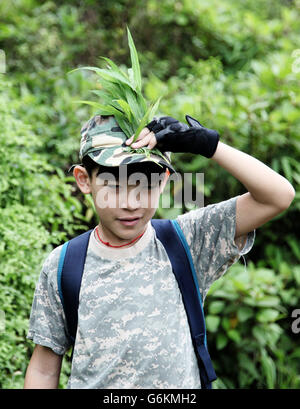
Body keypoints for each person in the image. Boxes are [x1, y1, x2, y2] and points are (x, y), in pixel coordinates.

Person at [24, 114, 295, 389]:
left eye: (144, 185)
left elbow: (277, 196)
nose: (131, 203)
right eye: (115, 185)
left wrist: (209, 145)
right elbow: (45, 369)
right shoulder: (64, 264)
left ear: (164, 181)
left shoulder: (189, 241)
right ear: (84, 180)